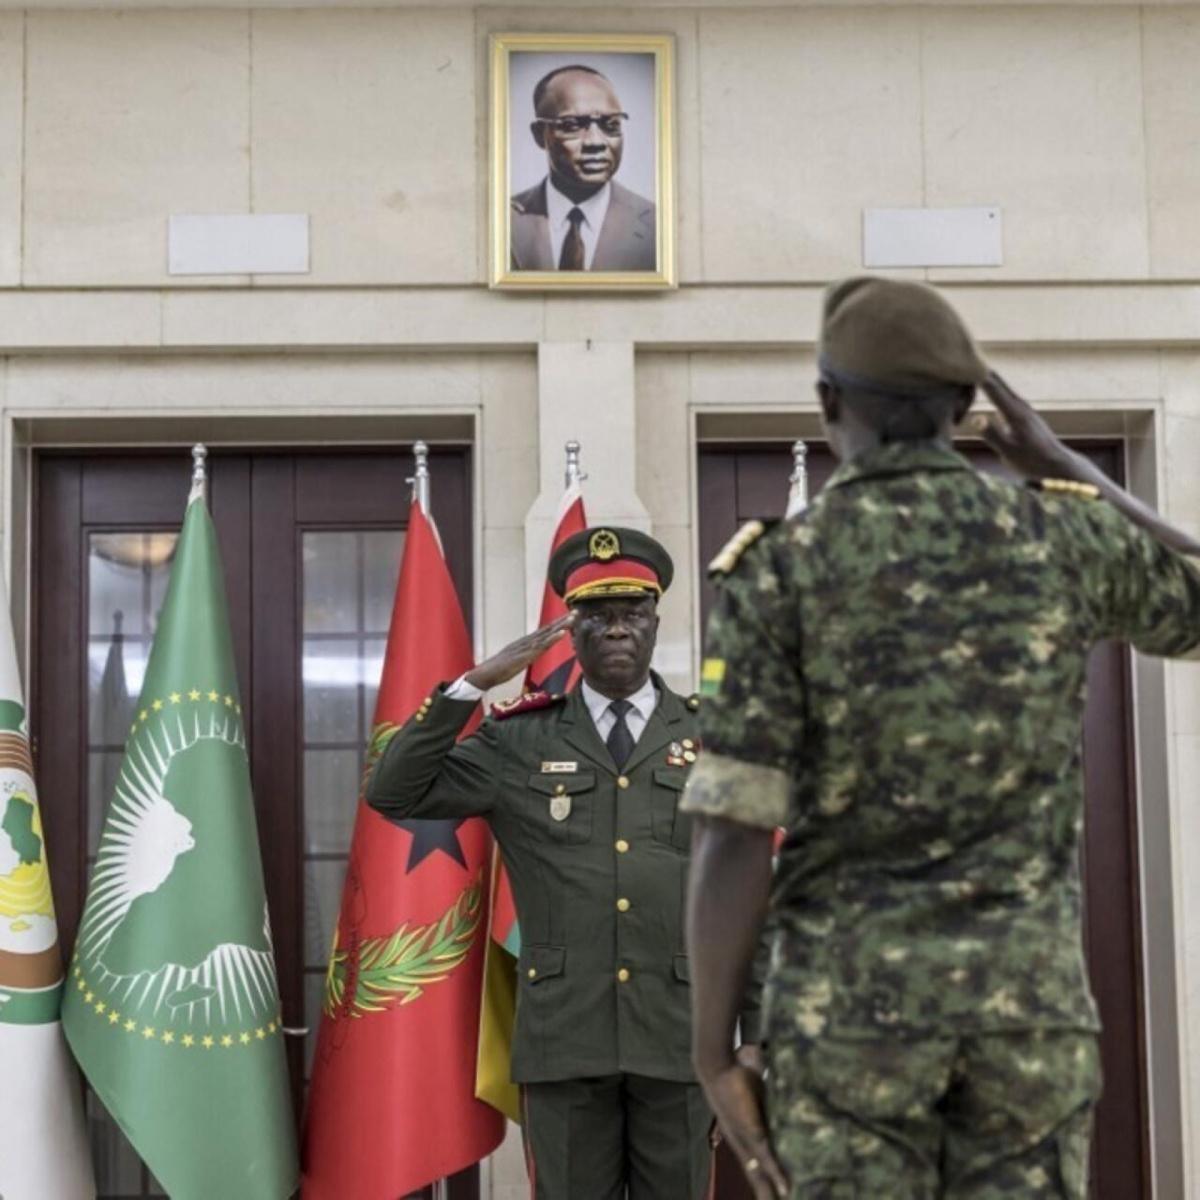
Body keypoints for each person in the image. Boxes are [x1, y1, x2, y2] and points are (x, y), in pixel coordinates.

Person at [680, 276, 1200, 1199]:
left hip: (848, 1025)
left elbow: (731, 832)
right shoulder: (1059, 538)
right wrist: (1070, 468)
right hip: (1024, 1019)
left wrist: (714, 1054)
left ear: (829, 403)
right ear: (967, 407)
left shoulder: (782, 571)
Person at [367, 526, 756, 1199]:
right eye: (596, 616)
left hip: (681, 1032)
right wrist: (468, 688)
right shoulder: (518, 738)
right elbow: (393, 790)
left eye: (631, 613)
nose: (615, 629)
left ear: (655, 623)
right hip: (565, 1036)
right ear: (569, 632)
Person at [511, 64, 656, 272]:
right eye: (571, 125)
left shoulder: (660, 226)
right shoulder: (502, 220)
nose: (595, 142)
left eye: (611, 125)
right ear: (539, 134)